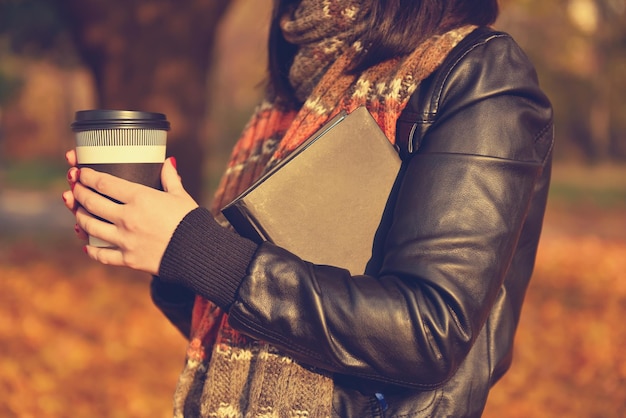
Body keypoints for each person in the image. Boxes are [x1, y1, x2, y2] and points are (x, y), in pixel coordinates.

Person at [62, 0, 554, 416]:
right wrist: (164, 249)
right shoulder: (295, 90)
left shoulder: (480, 74)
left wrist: (199, 249)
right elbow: (250, 320)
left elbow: (430, 331)